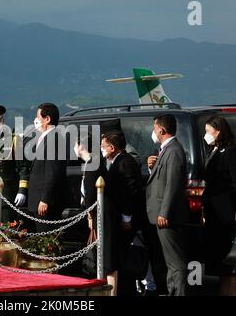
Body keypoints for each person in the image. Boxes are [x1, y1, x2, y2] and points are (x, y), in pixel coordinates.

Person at [76, 129, 144, 296]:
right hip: (113, 216)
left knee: (111, 261)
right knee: (113, 258)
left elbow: (129, 193)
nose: (101, 148)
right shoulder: (114, 161)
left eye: (103, 146)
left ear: (112, 147)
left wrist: (126, 218)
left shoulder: (124, 162)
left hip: (115, 217)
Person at [146, 114, 188, 296]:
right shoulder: (165, 150)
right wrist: (151, 168)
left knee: (175, 261)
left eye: (154, 128)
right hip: (161, 214)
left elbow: (173, 184)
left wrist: (165, 212)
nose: (153, 132)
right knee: (169, 261)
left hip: (167, 216)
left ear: (161, 130)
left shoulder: (174, 150)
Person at [202, 116, 236, 296]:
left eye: (208, 131)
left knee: (229, 256)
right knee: (219, 258)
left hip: (226, 210)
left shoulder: (230, 151)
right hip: (213, 210)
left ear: (218, 131)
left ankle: (231, 291)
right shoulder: (213, 150)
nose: (206, 135)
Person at [28, 103, 67, 232]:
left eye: (38, 117)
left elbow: (52, 173)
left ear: (47, 119)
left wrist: (45, 199)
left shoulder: (54, 139)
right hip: (38, 200)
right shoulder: (45, 138)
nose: (35, 120)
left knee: (47, 241)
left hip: (45, 204)